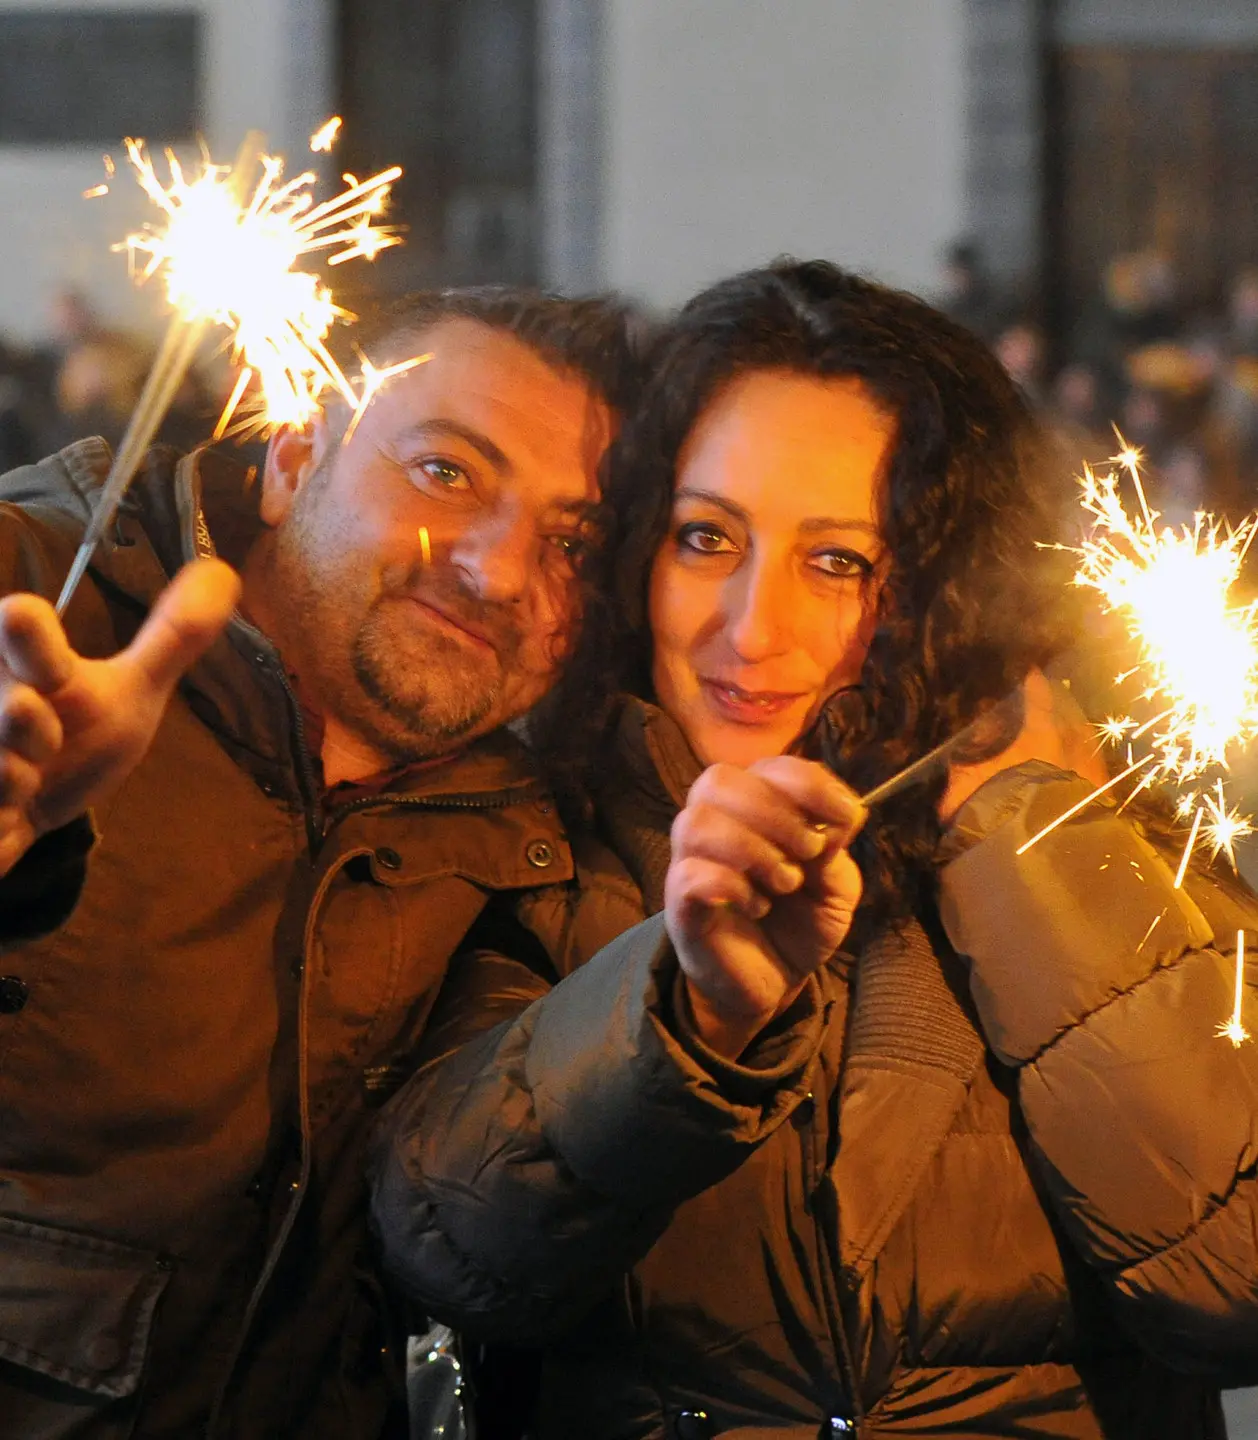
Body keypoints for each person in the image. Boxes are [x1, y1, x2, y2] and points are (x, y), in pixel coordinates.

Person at [372, 261, 1258, 1439]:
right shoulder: (537, 839)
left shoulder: (1118, 837)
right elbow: (452, 1246)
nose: (750, 627)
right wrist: (690, 1021)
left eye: (836, 561)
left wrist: (1027, 846)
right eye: (704, 538)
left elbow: (1234, 1287)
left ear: (941, 580)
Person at [0, 287, 645, 1439]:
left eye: (571, 542)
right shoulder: (33, 606)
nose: (499, 574)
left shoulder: (538, 843)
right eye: (446, 472)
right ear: (295, 458)